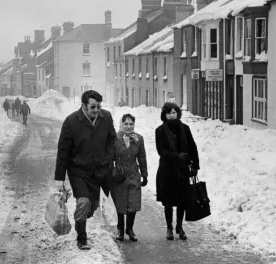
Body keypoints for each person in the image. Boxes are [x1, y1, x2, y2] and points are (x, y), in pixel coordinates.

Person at [54, 90, 116, 250]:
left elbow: (111, 139)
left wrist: (107, 157)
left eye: (99, 106)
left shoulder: (106, 117)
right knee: (83, 201)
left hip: (99, 170)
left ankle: (82, 218)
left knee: (92, 206)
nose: (97, 110)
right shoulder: (71, 122)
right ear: (84, 105)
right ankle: (82, 237)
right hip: (78, 169)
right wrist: (59, 178)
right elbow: (63, 151)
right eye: (93, 107)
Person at [155, 102, 200, 241]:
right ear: (165, 114)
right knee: (168, 201)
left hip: (182, 170)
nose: (172, 115)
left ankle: (179, 227)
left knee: (182, 201)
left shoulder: (185, 129)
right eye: (169, 113)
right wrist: (176, 156)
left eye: (174, 112)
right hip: (167, 170)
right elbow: (161, 151)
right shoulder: (160, 130)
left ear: (178, 114)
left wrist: (195, 166)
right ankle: (169, 228)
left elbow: (192, 147)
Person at [111, 114, 148, 242]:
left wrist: (144, 175)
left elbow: (142, 157)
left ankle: (130, 229)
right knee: (120, 204)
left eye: (131, 124)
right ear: (121, 124)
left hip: (133, 175)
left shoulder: (138, 139)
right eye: (125, 124)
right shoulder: (114, 138)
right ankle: (120, 229)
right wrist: (111, 172)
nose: (128, 126)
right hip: (119, 176)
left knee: (133, 203)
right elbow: (110, 157)